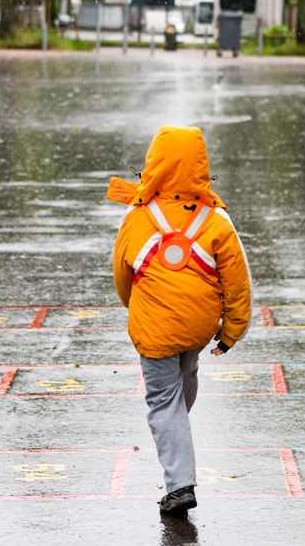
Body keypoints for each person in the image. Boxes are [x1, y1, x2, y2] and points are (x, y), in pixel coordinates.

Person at [108, 126, 252, 516]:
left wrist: (136, 307)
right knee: (184, 379)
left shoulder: (137, 218)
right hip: (200, 327)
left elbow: (123, 276)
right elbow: (237, 280)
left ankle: (179, 485)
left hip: (155, 327)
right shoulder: (216, 220)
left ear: (153, 164)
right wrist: (232, 329)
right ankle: (176, 432)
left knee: (162, 402)